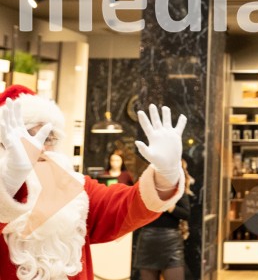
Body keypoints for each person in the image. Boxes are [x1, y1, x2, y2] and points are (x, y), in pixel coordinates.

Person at [0, 84, 187, 280]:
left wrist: (165, 174)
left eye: (47, 138)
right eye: (27, 137)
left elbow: (127, 206)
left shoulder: (75, 189)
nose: (40, 148)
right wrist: (9, 182)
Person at [133, 159, 194, 280]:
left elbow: (186, 214)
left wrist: (169, 206)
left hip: (170, 240)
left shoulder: (176, 188)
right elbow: (136, 209)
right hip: (148, 238)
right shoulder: (146, 186)